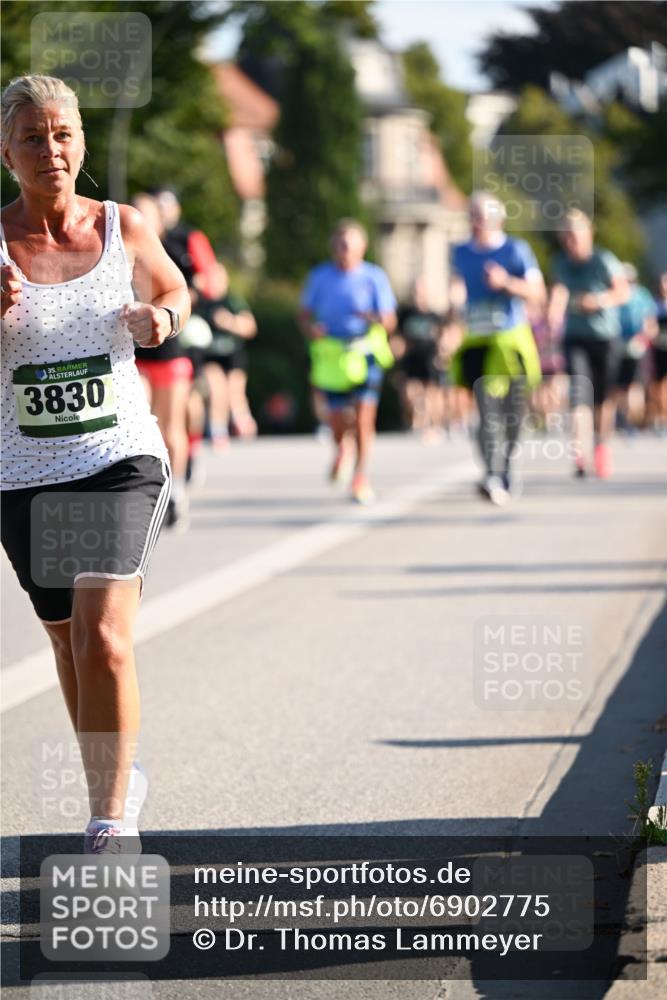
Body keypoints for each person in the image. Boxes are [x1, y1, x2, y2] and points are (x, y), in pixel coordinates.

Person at [0, 75, 191, 854]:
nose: (53, 150)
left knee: (103, 637)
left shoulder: (122, 226)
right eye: (35, 138)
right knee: (66, 644)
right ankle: (113, 780)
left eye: (64, 134)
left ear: (80, 142)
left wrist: (163, 317)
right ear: (6, 151)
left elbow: (175, 285)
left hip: (118, 457)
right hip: (24, 472)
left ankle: (110, 820)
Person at [450, 191, 544, 504]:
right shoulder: (460, 252)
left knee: (513, 415)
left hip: (511, 340)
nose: (478, 223)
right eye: (473, 216)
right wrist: (452, 306)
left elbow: (537, 293)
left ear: (499, 220)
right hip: (478, 340)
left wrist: (506, 283)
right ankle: (491, 473)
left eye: (484, 217)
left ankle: (507, 466)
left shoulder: (516, 250)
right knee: (486, 410)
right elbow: (454, 287)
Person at [298, 219, 397, 504]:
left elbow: (389, 320)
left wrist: (375, 318)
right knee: (338, 419)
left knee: (364, 419)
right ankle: (343, 447)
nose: (344, 251)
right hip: (333, 355)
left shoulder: (374, 276)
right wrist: (311, 329)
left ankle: (360, 477)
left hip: (365, 352)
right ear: (333, 248)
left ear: (362, 248)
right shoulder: (320, 277)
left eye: (349, 245)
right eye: (340, 245)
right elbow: (304, 314)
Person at [548, 209, 630, 478]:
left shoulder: (603, 260)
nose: (572, 240)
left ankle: (601, 447)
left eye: (576, 234)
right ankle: (579, 452)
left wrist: (599, 301)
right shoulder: (561, 263)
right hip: (575, 336)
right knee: (579, 393)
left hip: (604, 336)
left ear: (588, 234)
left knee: (602, 399)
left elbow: (623, 291)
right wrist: (554, 313)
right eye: (567, 236)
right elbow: (559, 291)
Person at [132, 192, 197, 531]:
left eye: (147, 214)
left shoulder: (173, 253)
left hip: (169, 352)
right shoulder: (119, 251)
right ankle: (144, 488)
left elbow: (192, 292)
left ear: (159, 220)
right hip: (137, 355)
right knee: (142, 420)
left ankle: (178, 491)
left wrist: (165, 312)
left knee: (172, 429)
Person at [200, 262, 257, 447]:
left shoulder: (232, 301)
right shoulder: (201, 302)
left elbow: (250, 327)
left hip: (233, 354)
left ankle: (242, 419)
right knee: (217, 388)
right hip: (210, 356)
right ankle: (218, 429)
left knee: (235, 390)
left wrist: (230, 322)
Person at [394, 277, 444, 439]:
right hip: (411, 357)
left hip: (429, 357)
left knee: (431, 392)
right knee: (410, 393)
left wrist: (443, 354)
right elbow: (397, 334)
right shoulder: (405, 314)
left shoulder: (434, 316)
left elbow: (442, 335)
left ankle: (435, 424)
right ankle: (416, 420)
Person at [615, 263, 657, 432]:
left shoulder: (634, 295)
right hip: (629, 344)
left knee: (628, 386)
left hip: (628, 344)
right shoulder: (641, 295)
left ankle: (628, 421)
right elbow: (650, 323)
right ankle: (629, 421)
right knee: (631, 386)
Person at [650, 272, 667, 434]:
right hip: (659, 349)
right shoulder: (654, 305)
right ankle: (660, 417)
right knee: (658, 386)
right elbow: (650, 326)